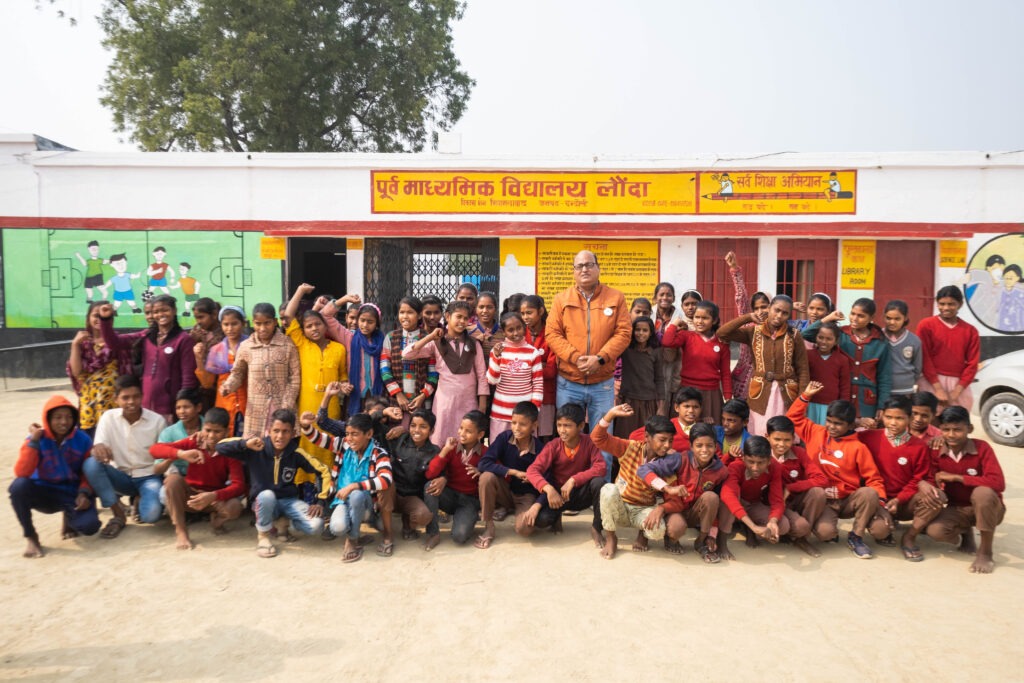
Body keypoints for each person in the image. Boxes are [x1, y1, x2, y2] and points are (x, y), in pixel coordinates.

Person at [545, 250, 632, 477]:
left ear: (598, 268)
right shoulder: (561, 299)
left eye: (589, 264)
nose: (584, 269)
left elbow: (623, 333)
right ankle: (568, 489)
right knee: (567, 436)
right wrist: (576, 358)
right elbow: (552, 334)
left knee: (602, 437)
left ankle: (600, 492)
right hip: (568, 382)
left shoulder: (616, 298)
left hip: (602, 383)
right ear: (573, 272)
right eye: (579, 266)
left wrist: (600, 358)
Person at [788, 381, 886, 559]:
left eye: (838, 424)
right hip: (823, 501)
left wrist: (881, 505)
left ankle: (856, 536)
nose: (832, 427)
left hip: (847, 499)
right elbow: (793, 418)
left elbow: (874, 479)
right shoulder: (816, 432)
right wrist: (806, 395)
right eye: (829, 421)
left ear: (850, 425)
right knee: (825, 533)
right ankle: (827, 532)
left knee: (869, 493)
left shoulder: (858, 447)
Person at [215, 408, 331, 558]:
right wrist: (245, 443)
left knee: (317, 525)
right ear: (269, 430)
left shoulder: (296, 452)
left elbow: (324, 471)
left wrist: (320, 501)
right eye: (276, 430)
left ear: (293, 432)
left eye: (285, 431)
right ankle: (263, 536)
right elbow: (220, 446)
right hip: (263, 502)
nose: (280, 436)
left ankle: (285, 523)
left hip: (288, 502)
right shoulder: (256, 447)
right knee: (267, 495)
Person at [11, 395, 100, 558]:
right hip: (43, 490)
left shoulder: (82, 440)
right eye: (58, 417)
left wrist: (84, 493)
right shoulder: (36, 439)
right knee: (18, 486)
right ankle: (31, 536)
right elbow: (21, 473)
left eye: (68, 417)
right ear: (47, 419)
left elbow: (86, 471)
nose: (64, 422)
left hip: (70, 491)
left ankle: (69, 518)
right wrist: (34, 441)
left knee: (90, 527)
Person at [300, 411, 393, 562]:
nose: (349, 438)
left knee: (356, 494)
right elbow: (318, 439)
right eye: (347, 434)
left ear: (369, 434)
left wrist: (353, 486)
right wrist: (305, 426)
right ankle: (355, 533)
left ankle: (352, 540)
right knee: (337, 528)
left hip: (366, 506)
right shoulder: (344, 445)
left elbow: (385, 479)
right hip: (342, 501)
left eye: (354, 434)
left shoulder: (378, 453)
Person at [857, 396, 942, 561]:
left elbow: (919, 478)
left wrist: (899, 499)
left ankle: (910, 537)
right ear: (881, 416)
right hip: (878, 501)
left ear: (909, 419)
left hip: (905, 502)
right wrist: (856, 423)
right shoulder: (868, 437)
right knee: (879, 531)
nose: (893, 423)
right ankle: (883, 526)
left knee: (935, 496)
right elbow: (843, 439)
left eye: (899, 418)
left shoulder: (919, 446)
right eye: (889, 417)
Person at [82, 374, 167, 539]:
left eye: (136, 396)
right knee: (91, 464)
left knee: (150, 516)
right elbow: (99, 448)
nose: (131, 402)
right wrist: (98, 449)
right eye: (125, 397)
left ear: (142, 396)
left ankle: (139, 498)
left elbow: (164, 457)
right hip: (120, 476)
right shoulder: (108, 418)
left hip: (148, 477)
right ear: (116, 399)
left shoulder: (157, 421)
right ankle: (117, 512)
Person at [149, 407, 245, 550]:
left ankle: (216, 522)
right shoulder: (194, 441)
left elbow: (239, 486)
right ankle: (181, 531)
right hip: (190, 496)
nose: (211, 436)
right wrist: (180, 453)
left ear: (226, 432)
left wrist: (213, 496)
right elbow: (154, 450)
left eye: (217, 431)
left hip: (213, 498)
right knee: (173, 480)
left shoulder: (230, 451)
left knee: (235, 507)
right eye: (207, 430)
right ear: (202, 429)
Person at [925, 406, 1006, 574]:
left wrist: (957, 477)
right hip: (958, 507)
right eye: (946, 429)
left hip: (990, 507)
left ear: (969, 429)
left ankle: (985, 552)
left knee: (982, 493)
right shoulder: (936, 450)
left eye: (957, 430)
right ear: (940, 430)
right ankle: (965, 532)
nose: (951, 435)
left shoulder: (982, 448)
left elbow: (998, 483)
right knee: (935, 531)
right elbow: (931, 477)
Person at [283, 283, 351, 477]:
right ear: (303, 330)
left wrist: (344, 386)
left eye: (317, 324)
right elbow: (287, 318)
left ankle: (328, 490)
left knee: (329, 444)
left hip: (330, 408)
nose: (314, 329)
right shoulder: (301, 344)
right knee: (308, 443)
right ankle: (310, 492)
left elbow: (342, 377)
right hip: (306, 406)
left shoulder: (338, 349)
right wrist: (300, 291)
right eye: (309, 326)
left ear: (324, 325)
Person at [591, 405, 675, 559]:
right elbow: (597, 438)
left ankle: (642, 534)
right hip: (620, 506)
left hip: (643, 510)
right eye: (662, 440)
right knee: (608, 489)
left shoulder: (668, 462)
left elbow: (673, 498)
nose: (667, 445)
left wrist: (660, 509)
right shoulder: (630, 447)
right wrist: (610, 415)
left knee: (657, 531)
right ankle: (611, 538)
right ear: (647, 437)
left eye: (670, 440)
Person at [718, 294, 809, 436]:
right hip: (760, 394)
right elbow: (722, 333)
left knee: (781, 435)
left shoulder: (794, 335)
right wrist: (748, 317)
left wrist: (801, 400)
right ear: (769, 309)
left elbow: (803, 369)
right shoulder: (754, 331)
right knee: (760, 434)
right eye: (776, 310)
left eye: (785, 313)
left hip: (785, 394)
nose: (779, 315)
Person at [637, 423, 727, 563]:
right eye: (699, 445)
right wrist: (666, 488)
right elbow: (643, 470)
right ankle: (671, 538)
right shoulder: (679, 459)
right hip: (674, 509)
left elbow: (717, 506)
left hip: (697, 513)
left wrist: (712, 535)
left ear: (716, 447)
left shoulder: (720, 471)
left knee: (711, 497)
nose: (704, 450)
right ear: (691, 446)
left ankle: (700, 542)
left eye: (709, 446)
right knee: (676, 528)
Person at [403, 301, 488, 449]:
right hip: (444, 403)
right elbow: (407, 354)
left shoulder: (474, 344)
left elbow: (481, 376)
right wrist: (430, 337)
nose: (462, 321)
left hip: (468, 402)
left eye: (466, 318)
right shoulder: (437, 343)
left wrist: (481, 407)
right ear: (448, 316)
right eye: (458, 316)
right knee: (441, 440)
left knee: (466, 441)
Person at [98, 297, 198, 422]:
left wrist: (182, 406)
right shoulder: (146, 336)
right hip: (145, 408)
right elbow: (115, 343)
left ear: (174, 310)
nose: (160, 315)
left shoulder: (183, 340)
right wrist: (105, 319)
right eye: (156, 312)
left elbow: (188, 377)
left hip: (170, 409)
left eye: (165, 310)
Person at [522, 403, 606, 543]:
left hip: (581, 494)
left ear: (580, 426)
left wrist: (573, 479)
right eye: (559, 425)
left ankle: (597, 528)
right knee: (541, 521)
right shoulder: (553, 445)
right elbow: (532, 470)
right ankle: (556, 518)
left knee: (599, 483)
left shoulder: (589, 442)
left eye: (567, 426)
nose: (562, 430)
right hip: (558, 497)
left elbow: (601, 467)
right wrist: (548, 489)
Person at [219, 302, 300, 438]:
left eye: (267, 323)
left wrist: (286, 405)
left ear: (275, 322)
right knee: (257, 451)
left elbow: (295, 378)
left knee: (283, 447)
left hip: (283, 406)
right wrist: (228, 386)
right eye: (258, 324)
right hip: (256, 410)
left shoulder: (287, 345)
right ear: (253, 323)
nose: (262, 328)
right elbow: (238, 373)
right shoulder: (246, 347)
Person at [807, 298, 890, 425]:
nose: (854, 319)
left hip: (866, 401)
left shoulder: (880, 342)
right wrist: (827, 318)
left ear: (871, 317)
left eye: (861, 316)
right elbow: (806, 334)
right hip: (841, 395)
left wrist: (882, 406)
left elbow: (884, 377)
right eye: (853, 314)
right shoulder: (840, 334)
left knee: (864, 432)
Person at [475, 401, 542, 549]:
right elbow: (483, 463)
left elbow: (548, 480)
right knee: (486, 477)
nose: (516, 428)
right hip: (505, 491)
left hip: (526, 496)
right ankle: (489, 525)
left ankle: (513, 510)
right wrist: (514, 472)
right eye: (513, 423)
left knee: (524, 529)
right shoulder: (505, 438)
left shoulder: (540, 448)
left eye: (523, 424)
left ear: (534, 425)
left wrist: (535, 503)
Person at [66, 300, 134, 437]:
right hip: (89, 403)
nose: (98, 319)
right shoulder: (82, 343)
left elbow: (126, 372)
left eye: (102, 315)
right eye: (95, 315)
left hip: (112, 403)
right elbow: (76, 372)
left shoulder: (117, 342)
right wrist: (74, 345)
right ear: (88, 318)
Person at [422, 410, 487, 550]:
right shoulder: (451, 448)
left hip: (470, 501)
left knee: (459, 537)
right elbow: (430, 473)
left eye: (468, 431)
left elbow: (501, 477)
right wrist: (444, 451)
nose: (462, 433)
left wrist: (482, 473)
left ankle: (470, 518)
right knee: (430, 486)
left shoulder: (486, 452)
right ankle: (433, 533)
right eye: (461, 428)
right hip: (450, 496)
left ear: (480, 435)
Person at [765, 415, 828, 556]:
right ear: (767, 437)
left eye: (787, 440)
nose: (782, 444)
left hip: (794, 500)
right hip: (772, 502)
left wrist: (791, 488)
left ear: (793, 439)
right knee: (794, 526)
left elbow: (822, 479)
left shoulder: (799, 453)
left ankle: (802, 539)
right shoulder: (763, 455)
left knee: (818, 493)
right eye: (777, 439)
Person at [717, 436, 788, 560]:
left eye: (760, 463)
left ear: (769, 460)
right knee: (730, 499)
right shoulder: (736, 466)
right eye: (751, 462)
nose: (755, 468)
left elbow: (777, 499)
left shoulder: (775, 467)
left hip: (754, 503)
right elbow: (728, 496)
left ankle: (748, 528)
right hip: (736, 502)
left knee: (784, 526)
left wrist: (773, 521)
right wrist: (753, 527)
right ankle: (721, 542)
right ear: (743, 458)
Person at [663, 300, 731, 423]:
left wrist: (728, 398)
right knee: (686, 428)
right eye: (697, 317)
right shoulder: (687, 336)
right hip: (687, 391)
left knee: (709, 431)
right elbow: (667, 342)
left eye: (705, 318)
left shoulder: (722, 343)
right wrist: (675, 323)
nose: (699, 321)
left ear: (714, 320)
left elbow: (725, 373)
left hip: (711, 394)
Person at [916, 286, 980, 411]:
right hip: (931, 381)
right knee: (930, 421)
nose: (946, 308)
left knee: (957, 423)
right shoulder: (926, 325)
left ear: (960, 304)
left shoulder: (970, 331)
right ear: (937, 303)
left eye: (951, 304)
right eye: (942, 304)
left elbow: (972, 363)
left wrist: (957, 391)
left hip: (959, 384)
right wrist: (938, 389)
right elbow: (924, 357)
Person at [382, 409, 440, 541]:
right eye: (413, 426)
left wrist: (444, 479)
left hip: (411, 498)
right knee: (385, 481)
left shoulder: (434, 451)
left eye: (423, 427)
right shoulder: (398, 439)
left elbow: (441, 472)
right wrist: (384, 412)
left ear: (432, 431)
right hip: (391, 494)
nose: (417, 430)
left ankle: (408, 522)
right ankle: (386, 532)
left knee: (423, 516)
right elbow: (372, 424)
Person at [380, 296, 438, 424]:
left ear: (419, 315)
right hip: (396, 400)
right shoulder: (390, 337)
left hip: (422, 400)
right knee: (396, 433)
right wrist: (398, 394)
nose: (405, 316)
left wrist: (423, 396)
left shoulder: (427, 339)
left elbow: (434, 373)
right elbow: (385, 369)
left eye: (410, 312)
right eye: (402, 312)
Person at [486, 312, 543, 441]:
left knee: (524, 451)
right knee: (499, 449)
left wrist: (533, 412)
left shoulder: (533, 353)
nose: (516, 333)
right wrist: (496, 357)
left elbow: (538, 385)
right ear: (504, 332)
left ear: (524, 327)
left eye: (519, 328)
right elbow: (492, 380)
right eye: (510, 330)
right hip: (501, 412)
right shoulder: (497, 351)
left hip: (524, 415)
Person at [201, 305, 248, 436]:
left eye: (234, 324)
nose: (230, 328)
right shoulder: (216, 350)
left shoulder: (251, 346)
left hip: (249, 403)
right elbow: (207, 383)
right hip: (225, 403)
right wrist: (199, 359)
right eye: (226, 324)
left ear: (243, 323)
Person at [613, 316, 664, 437]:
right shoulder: (626, 350)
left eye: (645, 330)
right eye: (637, 329)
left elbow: (660, 379)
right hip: (628, 400)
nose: (641, 333)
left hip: (648, 401)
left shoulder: (655, 352)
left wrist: (661, 407)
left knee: (646, 436)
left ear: (651, 333)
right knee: (626, 436)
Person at [521, 294, 558, 439]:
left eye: (529, 312)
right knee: (525, 434)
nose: (525, 317)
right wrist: (538, 364)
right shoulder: (521, 333)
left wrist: (529, 365)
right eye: (523, 313)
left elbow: (550, 371)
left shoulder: (551, 335)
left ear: (541, 311)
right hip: (524, 393)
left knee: (545, 435)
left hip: (546, 395)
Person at [805, 321, 851, 425]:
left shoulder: (842, 360)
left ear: (836, 341)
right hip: (810, 403)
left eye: (829, 339)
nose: (824, 342)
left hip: (831, 407)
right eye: (820, 337)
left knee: (826, 435)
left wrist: (842, 407)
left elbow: (845, 386)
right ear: (815, 337)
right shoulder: (808, 356)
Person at [652, 282, 682, 414]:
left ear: (674, 298)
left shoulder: (680, 315)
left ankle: (663, 423)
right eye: (661, 294)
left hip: (672, 360)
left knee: (667, 390)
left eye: (669, 295)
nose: (665, 298)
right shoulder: (650, 312)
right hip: (651, 359)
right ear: (655, 298)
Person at [883, 300, 923, 396]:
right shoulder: (878, 337)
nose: (892, 322)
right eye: (888, 318)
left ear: (905, 318)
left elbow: (918, 367)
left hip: (906, 390)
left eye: (897, 319)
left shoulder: (914, 340)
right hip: (883, 389)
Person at [715, 398, 751, 463]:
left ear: (745, 422)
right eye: (723, 419)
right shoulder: (714, 433)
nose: (725, 423)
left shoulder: (749, 443)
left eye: (731, 420)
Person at [471, 291, 504, 359]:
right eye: (481, 307)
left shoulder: (504, 332)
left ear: (496, 309)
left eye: (489, 307)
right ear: (476, 309)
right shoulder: (468, 331)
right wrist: (475, 342)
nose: (485, 310)